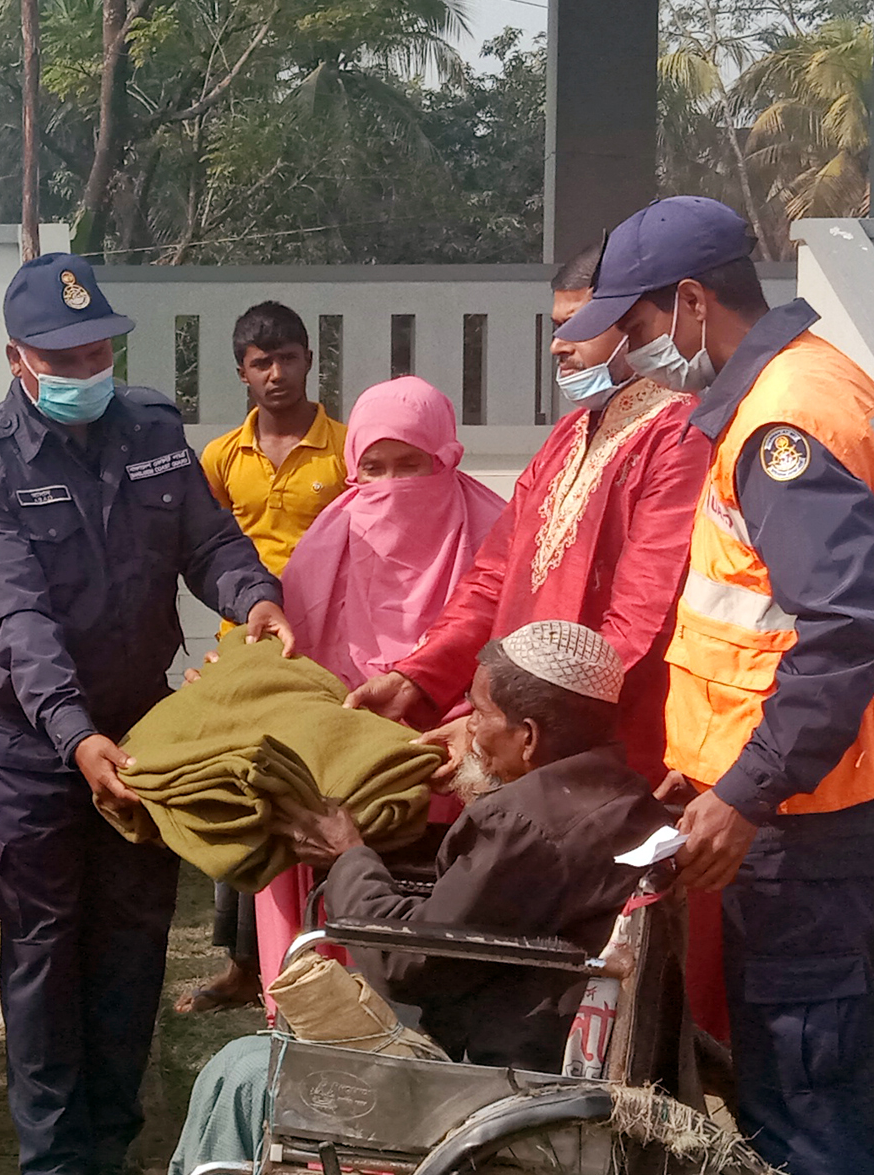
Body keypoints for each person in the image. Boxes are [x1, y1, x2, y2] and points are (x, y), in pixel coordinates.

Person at [555, 194, 874, 1175]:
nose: (628, 349)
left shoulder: (781, 423)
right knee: (827, 1110)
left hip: (807, 837)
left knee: (807, 1125)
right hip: (835, 810)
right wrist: (706, 762)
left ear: (695, 305)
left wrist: (745, 794)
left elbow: (848, 629)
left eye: (640, 323)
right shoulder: (824, 380)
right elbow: (759, 635)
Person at [139, 623, 672, 1175]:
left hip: (488, 1086)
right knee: (262, 1062)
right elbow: (462, 922)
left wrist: (350, 851)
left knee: (242, 1073)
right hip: (542, 1056)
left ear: (527, 735)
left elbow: (412, 965)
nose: (465, 723)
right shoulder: (623, 798)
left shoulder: (521, 820)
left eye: (480, 711)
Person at [0, 252, 290, 1175]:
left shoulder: (148, 431)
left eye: (97, 347)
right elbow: (17, 616)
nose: (84, 365)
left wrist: (253, 595)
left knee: (134, 941)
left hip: (145, 733)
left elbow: (208, 543)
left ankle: (111, 1151)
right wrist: (74, 736)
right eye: (63, 354)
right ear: (17, 358)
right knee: (47, 947)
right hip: (36, 742)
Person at [347, 246, 719, 1029]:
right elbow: (491, 577)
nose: (558, 345)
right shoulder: (570, 435)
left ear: (636, 321)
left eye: (579, 325)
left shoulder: (678, 437)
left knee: (581, 967)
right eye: (555, 326)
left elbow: (637, 624)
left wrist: (519, 724)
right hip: (529, 736)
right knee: (500, 936)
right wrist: (419, 679)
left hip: (593, 749)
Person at [248, 375, 503, 980]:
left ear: (445, 457)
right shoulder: (329, 539)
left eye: (411, 465)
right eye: (375, 467)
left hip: (464, 772)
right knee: (345, 935)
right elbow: (294, 652)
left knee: (450, 934)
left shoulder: (497, 534)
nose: (392, 488)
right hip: (349, 779)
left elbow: (511, 640)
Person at [177, 302, 347, 1016]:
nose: (277, 375)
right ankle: (242, 965)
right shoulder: (220, 457)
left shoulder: (346, 447)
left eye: (289, 358)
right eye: (260, 362)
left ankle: (320, 955)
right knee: (241, 795)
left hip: (323, 656)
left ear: (310, 360)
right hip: (239, 656)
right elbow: (206, 549)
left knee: (315, 799)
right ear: (241, 372)